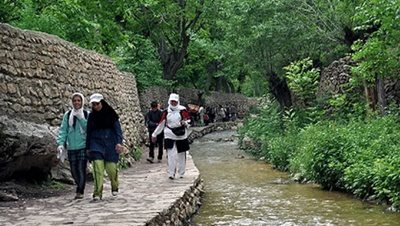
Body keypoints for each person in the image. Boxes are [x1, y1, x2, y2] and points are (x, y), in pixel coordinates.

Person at [86, 93, 124, 201]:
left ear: (102, 103)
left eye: (97, 104)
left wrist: (118, 142)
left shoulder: (111, 115)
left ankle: (114, 185)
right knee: (97, 168)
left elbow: (118, 130)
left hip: (110, 143)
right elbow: (88, 132)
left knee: (111, 169)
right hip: (96, 143)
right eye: (93, 104)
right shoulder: (92, 116)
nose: (95, 106)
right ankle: (97, 193)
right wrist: (88, 147)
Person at [56, 92, 88, 200]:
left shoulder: (86, 114)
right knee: (74, 171)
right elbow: (63, 130)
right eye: (74, 100)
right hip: (71, 147)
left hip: (83, 146)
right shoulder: (68, 115)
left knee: (81, 169)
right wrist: (61, 143)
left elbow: (89, 129)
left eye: (79, 100)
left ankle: (80, 191)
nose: (76, 102)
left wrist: (81, 119)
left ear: (82, 102)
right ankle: (79, 185)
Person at [152, 93, 191, 179]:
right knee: (171, 154)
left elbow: (188, 120)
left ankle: (181, 172)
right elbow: (161, 124)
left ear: (178, 102)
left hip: (181, 134)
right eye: (172, 101)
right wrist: (154, 134)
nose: (173, 103)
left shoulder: (182, 110)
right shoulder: (166, 112)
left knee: (181, 154)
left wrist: (185, 123)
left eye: (175, 102)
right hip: (169, 134)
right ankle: (171, 173)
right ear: (169, 101)